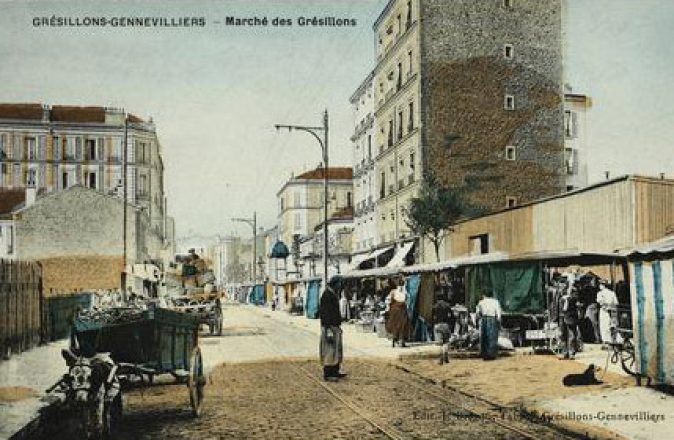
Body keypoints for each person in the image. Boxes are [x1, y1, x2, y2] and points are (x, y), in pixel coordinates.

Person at [319, 276, 346, 382]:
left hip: (335, 327)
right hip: (329, 327)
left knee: (336, 350)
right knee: (329, 351)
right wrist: (328, 329)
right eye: (340, 284)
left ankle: (335, 371)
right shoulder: (327, 295)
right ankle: (328, 374)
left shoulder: (332, 294)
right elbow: (324, 314)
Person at [385, 278, 411, 348]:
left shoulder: (395, 292)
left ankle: (397, 341)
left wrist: (388, 308)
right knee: (400, 325)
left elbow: (387, 300)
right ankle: (399, 341)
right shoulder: (403, 292)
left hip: (397, 311)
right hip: (399, 311)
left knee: (398, 325)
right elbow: (408, 302)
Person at [475, 290, 502, 360]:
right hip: (492, 318)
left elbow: (478, 313)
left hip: (484, 319)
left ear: (484, 295)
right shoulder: (496, 302)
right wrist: (498, 321)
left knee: (484, 337)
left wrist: (478, 321)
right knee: (492, 337)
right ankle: (492, 354)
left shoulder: (481, 302)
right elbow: (498, 312)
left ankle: (484, 354)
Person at [560, 287, 581, 359]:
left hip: (571, 319)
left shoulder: (573, 299)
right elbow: (562, 309)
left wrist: (567, 299)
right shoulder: (562, 299)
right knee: (563, 336)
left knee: (572, 336)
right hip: (563, 318)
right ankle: (565, 353)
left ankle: (571, 353)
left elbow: (565, 309)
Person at [432, 294, 453, 364]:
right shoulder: (448, 306)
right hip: (446, 325)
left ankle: (440, 359)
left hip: (438, 325)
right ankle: (446, 358)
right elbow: (451, 316)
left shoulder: (435, 306)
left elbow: (433, 317)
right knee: (446, 342)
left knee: (440, 343)